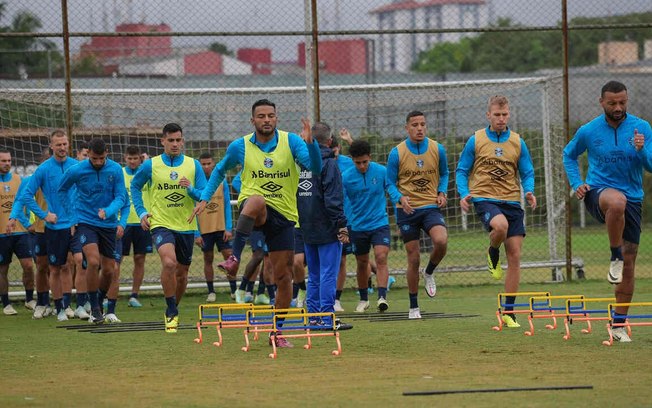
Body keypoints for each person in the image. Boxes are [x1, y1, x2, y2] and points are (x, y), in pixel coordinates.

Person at [190, 99, 322, 348]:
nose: (266, 120)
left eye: (270, 115)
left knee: (283, 277)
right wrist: (204, 198)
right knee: (256, 200)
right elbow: (219, 170)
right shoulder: (240, 146)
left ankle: (277, 332)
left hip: (284, 215)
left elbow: (315, 167)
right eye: (261, 116)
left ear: (276, 118)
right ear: (252, 121)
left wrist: (311, 142)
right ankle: (234, 258)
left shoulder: (291, 141)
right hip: (254, 208)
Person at [563, 80, 652, 343]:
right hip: (598, 193)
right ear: (601, 102)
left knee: (631, 262)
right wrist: (577, 184)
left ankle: (618, 326)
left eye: (622, 102)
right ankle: (614, 255)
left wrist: (642, 149)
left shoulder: (642, 128)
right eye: (612, 103)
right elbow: (569, 155)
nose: (618, 107)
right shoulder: (589, 130)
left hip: (633, 198)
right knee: (616, 202)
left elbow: (650, 165)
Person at [456, 95, 536, 329]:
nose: (501, 119)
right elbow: (462, 170)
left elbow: (527, 172)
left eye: (505, 114)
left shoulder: (518, 142)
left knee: (515, 256)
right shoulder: (476, 140)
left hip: (511, 201)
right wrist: (464, 193)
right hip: (485, 199)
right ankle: (492, 251)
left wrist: (529, 191)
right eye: (497, 115)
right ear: (488, 115)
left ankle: (509, 312)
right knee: (499, 226)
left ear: (508, 114)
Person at [131, 123, 207, 333]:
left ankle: (173, 306)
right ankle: (172, 311)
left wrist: (190, 189)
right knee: (169, 262)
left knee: (182, 274)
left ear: (183, 141)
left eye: (178, 140)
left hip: (186, 225)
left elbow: (203, 194)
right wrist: (141, 212)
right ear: (162, 141)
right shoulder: (151, 165)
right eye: (170, 140)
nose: (175, 144)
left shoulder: (193, 165)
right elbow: (135, 187)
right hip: (161, 223)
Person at [386, 111, 449, 319]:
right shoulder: (397, 152)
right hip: (407, 210)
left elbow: (445, 173)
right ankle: (414, 307)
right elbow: (389, 183)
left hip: (430, 207)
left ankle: (429, 272)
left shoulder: (437, 149)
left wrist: (442, 191)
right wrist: (400, 198)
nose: (419, 128)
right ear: (407, 128)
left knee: (441, 241)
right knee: (413, 258)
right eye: (415, 125)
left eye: (422, 124)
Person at [58, 138, 127, 324]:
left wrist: (109, 211)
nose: (98, 162)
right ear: (88, 154)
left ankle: (98, 298)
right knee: (93, 261)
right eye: (94, 158)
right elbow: (61, 190)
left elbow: (121, 196)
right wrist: (72, 217)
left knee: (109, 270)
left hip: (108, 224)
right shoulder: (77, 170)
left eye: (101, 159)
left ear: (107, 153)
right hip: (85, 221)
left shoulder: (115, 169)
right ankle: (95, 309)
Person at [297, 122, 351, 328]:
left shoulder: (302, 163)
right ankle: (328, 318)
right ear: (329, 142)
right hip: (327, 227)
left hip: (306, 226)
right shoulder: (329, 164)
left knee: (315, 274)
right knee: (329, 272)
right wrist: (341, 226)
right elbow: (333, 198)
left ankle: (313, 317)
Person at [21, 130, 79, 321]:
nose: (62, 148)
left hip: (69, 225)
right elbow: (26, 196)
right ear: (51, 147)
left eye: (65, 144)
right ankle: (41, 303)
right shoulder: (43, 170)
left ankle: (65, 304)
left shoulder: (76, 167)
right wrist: (43, 215)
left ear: (68, 145)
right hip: (44, 227)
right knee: (43, 266)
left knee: (68, 264)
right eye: (58, 144)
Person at [342, 140, 402, 314]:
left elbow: (392, 193)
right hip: (357, 226)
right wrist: (343, 225)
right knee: (362, 262)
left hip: (379, 224)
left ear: (370, 158)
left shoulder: (382, 172)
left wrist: (399, 218)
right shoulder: (346, 177)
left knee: (381, 257)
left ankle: (382, 297)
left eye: (365, 162)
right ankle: (363, 299)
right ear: (352, 160)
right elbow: (341, 202)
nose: (361, 166)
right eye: (357, 163)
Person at [195, 152, 234, 302]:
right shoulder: (196, 184)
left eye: (208, 163)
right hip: (205, 230)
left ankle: (233, 289)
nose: (206, 166)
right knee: (208, 258)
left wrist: (228, 227)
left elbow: (227, 206)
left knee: (229, 257)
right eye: (203, 164)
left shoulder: (221, 181)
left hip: (221, 228)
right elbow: (192, 208)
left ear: (213, 164)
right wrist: (196, 233)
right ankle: (211, 291)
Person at [1, 150, 35, 316]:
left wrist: (28, 222)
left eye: (9, 160)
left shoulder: (19, 179)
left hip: (21, 232)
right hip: (1, 235)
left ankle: (29, 300)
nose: (7, 163)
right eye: (3, 161)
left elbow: (26, 200)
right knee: (3, 269)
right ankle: (6, 303)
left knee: (28, 266)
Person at [121, 145, 153, 308]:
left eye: (135, 158)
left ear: (140, 158)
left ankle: (134, 295)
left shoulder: (147, 173)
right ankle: (108, 294)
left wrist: (147, 163)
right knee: (115, 260)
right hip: (123, 223)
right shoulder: (120, 173)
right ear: (125, 158)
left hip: (142, 223)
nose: (132, 161)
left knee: (139, 259)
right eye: (130, 158)